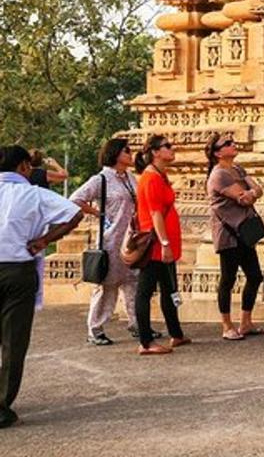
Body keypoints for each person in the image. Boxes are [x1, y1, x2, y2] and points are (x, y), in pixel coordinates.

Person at [0, 144, 84, 428]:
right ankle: (1, 405)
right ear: (24, 166)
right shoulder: (33, 194)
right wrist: (44, 241)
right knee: (13, 340)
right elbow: (75, 214)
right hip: (17, 268)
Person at [69, 138, 161, 345]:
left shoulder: (129, 177)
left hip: (132, 239)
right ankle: (95, 329)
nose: (130, 154)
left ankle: (138, 324)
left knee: (134, 283)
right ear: (115, 154)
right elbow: (75, 198)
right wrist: (97, 213)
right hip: (111, 240)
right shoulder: (101, 180)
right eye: (126, 150)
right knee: (106, 286)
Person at [205, 133, 264, 341]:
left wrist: (252, 193)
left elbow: (257, 191)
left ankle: (245, 322)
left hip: (244, 231)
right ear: (217, 153)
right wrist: (251, 193)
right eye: (227, 143)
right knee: (228, 279)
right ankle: (226, 325)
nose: (233, 144)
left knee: (255, 276)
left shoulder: (238, 169)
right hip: (228, 234)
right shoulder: (219, 175)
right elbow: (245, 198)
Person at [132, 135, 190, 355]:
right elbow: (155, 214)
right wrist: (164, 243)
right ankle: (146, 342)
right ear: (155, 152)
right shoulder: (151, 178)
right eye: (167, 146)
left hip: (164, 242)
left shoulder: (160, 175)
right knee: (145, 291)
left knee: (168, 287)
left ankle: (176, 333)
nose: (172, 149)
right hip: (155, 243)